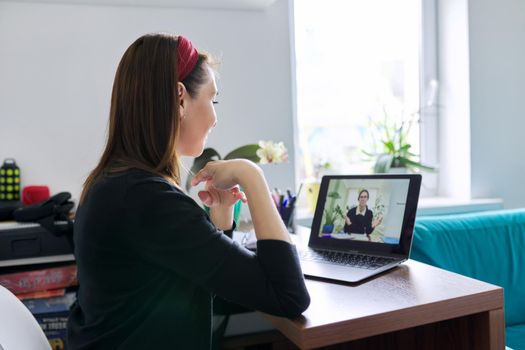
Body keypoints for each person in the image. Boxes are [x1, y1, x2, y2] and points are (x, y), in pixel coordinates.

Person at [66, 33, 310, 350]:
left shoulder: (115, 185)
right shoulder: (147, 200)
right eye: (213, 100)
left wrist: (220, 222)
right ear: (180, 98)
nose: (215, 117)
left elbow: (204, 292)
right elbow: (288, 296)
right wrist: (252, 174)